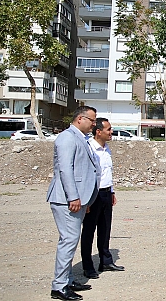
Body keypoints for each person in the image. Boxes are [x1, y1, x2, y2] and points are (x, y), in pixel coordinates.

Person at [46, 106, 100, 300]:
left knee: (70, 240)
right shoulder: (67, 138)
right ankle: (59, 286)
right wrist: (74, 197)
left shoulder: (80, 138)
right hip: (66, 199)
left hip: (77, 199)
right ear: (80, 119)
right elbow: (65, 170)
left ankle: (67, 279)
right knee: (68, 241)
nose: (94, 124)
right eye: (92, 120)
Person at [81, 117, 125, 279]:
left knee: (105, 229)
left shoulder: (107, 149)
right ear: (98, 132)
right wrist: (85, 199)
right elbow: (85, 174)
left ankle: (105, 261)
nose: (111, 132)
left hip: (106, 193)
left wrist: (112, 191)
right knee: (89, 231)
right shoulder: (89, 149)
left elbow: (108, 172)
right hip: (93, 194)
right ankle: (87, 266)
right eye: (108, 129)